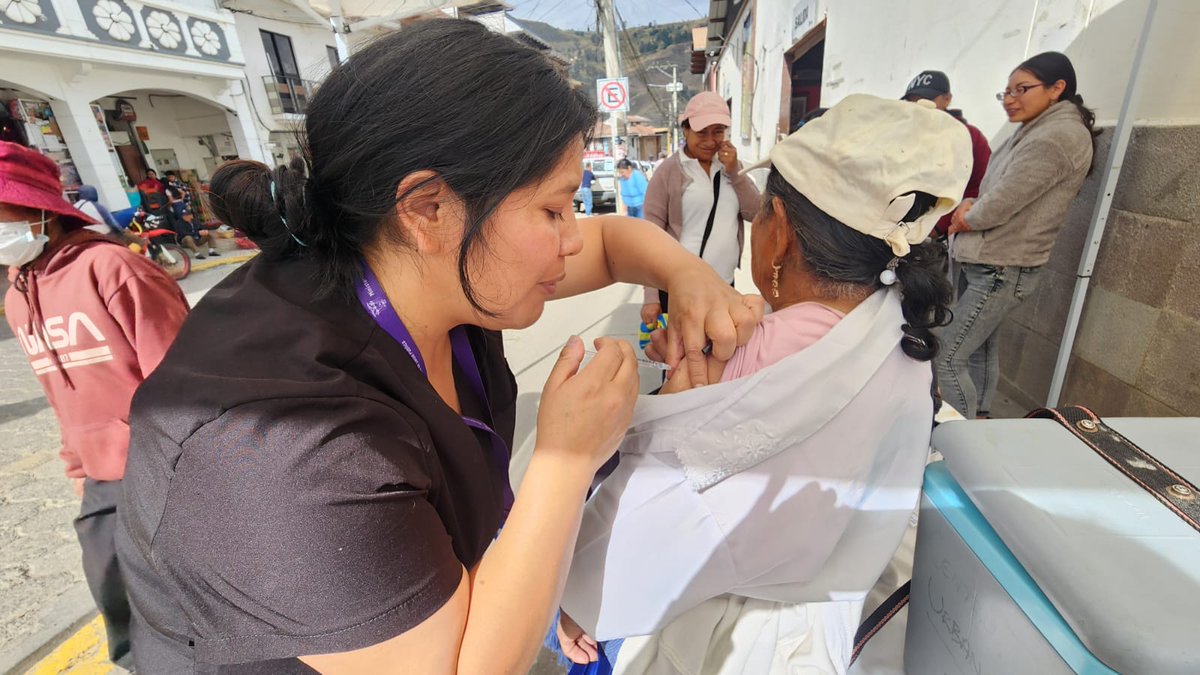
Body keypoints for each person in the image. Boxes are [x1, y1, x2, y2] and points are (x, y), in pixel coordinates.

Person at [115, 19, 760, 674]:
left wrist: (690, 278)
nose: (572, 238)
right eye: (552, 210)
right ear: (429, 209)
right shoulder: (283, 443)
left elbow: (616, 242)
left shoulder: (432, 271)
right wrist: (567, 458)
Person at [555, 94, 971, 673]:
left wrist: (580, 601)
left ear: (779, 231)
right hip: (829, 616)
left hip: (720, 625)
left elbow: (659, 508)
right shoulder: (899, 334)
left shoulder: (752, 348)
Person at [0, 141, 189, 669]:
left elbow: (182, 385)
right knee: (118, 602)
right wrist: (78, 468)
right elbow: (60, 396)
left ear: (39, 210)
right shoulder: (18, 297)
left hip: (164, 471)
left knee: (189, 609)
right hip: (102, 481)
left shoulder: (113, 270)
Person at [939, 51, 1098, 419]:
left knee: (948, 356)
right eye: (1006, 92)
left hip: (1001, 267)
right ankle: (980, 420)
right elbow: (994, 190)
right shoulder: (1037, 128)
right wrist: (970, 205)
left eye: (1021, 89)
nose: (1010, 99)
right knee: (979, 351)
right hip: (994, 261)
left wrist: (964, 217)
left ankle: (959, 435)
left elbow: (1000, 203)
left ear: (1056, 88)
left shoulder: (1056, 136)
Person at [641, 91, 762, 325]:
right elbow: (650, 236)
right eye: (701, 132)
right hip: (681, 287)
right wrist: (651, 296)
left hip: (724, 283)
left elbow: (756, 213)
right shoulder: (669, 172)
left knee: (723, 343)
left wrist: (734, 171)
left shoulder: (731, 167)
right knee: (684, 346)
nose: (710, 140)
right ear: (686, 130)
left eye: (717, 131)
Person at [902, 70, 992, 238]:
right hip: (897, 226)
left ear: (947, 99)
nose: (919, 105)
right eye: (912, 101)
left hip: (942, 232)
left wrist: (937, 227)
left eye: (927, 99)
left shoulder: (970, 137)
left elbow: (981, 185)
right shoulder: (903, 134)